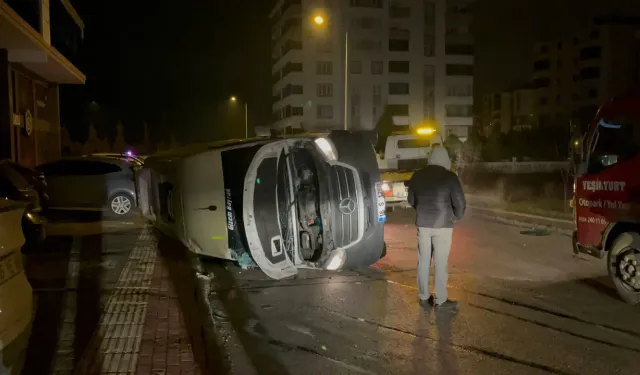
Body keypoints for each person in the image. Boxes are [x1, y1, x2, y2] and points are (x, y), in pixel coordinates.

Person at [406, 146, 466, 311]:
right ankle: (440, 299)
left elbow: (411, 200)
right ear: (445, 159)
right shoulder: (450, 177)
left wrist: (422, 210)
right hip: (443, 226)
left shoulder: (417, 176)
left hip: (423, 225)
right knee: (440, 263)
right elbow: (460, 203)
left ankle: (424, 297)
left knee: (423, 261)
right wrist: (455, 217)